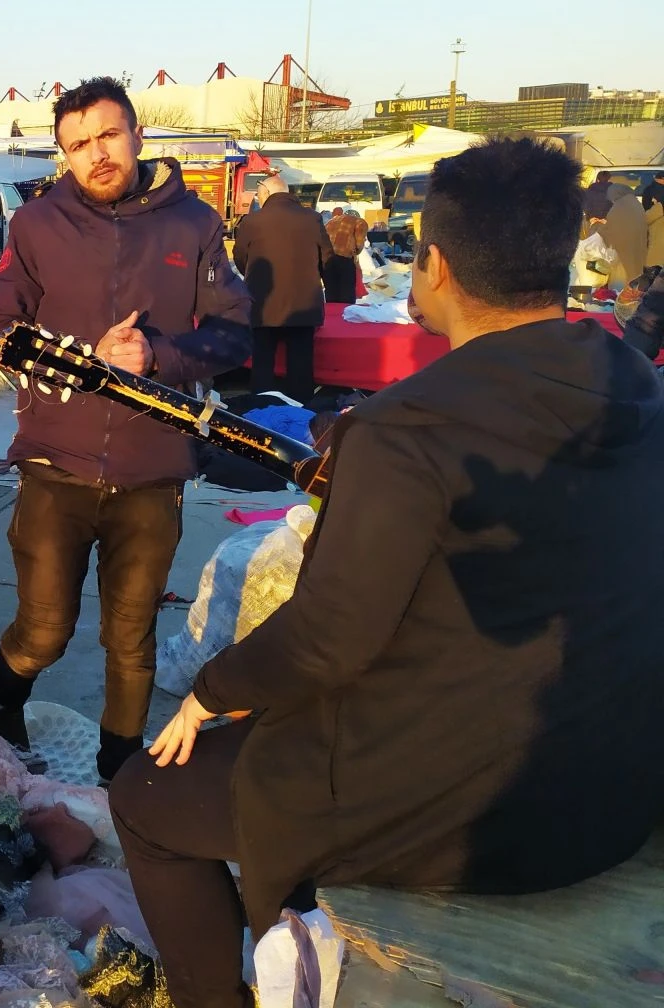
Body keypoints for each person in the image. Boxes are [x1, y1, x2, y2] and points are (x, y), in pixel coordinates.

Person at [109, 138, 664, 1008]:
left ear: (433, 264)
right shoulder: (631, 384)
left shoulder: (408, 428)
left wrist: (212, 690)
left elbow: (328, 639)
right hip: (615, 783)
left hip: (483, 811)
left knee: (147, 797)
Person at [0, 76, 251, 784]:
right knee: (43, 633)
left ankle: (120, 772)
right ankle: (1, 698)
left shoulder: (193, 225)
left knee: (131, 641)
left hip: (153, 468)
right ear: (62, 155)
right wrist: (84, 362)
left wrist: (157, 355)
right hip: (54, 464)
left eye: (106, 135)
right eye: (77, 145)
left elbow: (235, 335)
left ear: (135, 133)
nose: (95, 154)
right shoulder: (36, 226)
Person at [231, 174, 333, 404]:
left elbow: (240, 258)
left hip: (263, 304)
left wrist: (254, 277)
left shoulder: (252, 221)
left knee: (263, 365)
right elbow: (327, 257)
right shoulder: (312, 218)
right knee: (301, 366)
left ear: (266, 193)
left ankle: (261, 415)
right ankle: (302, 414)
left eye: (258, 194)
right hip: (304, 304)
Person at [591, 184, 647, 288]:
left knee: (623, 276)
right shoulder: (634, 202)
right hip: (637, 245)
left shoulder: (620, 206)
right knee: (635, 273)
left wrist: (596, 227)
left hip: (623, 249)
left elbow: (611, 227)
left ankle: (623, 296)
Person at [321, 205, 365, 304]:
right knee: (347, 290)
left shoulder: (330, 222)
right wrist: (356, 252)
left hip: (327, 259)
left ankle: (332, 314)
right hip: (345, 258)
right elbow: (359, 243)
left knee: (331, 290)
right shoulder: (360, 222)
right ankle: (345, 312)